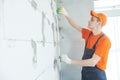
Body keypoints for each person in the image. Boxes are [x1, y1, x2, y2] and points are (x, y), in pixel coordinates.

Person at [58, 7, 111, 80]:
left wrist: (70, 61)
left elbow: (92, 62)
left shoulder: (105, 40)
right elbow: (76, 26)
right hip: (85, 72)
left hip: (97, 75)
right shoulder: (88, 34)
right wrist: (66, 14)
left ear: (99, 23)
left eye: (92, 20)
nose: (89, 21)